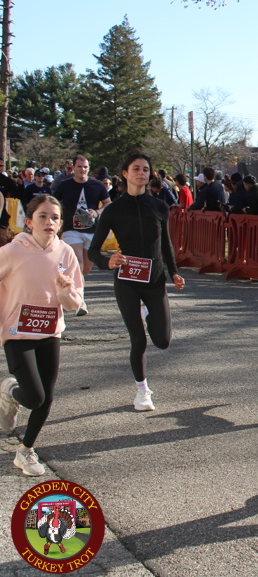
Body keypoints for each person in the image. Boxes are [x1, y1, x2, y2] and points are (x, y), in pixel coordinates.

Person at [88, 152, 185, 412]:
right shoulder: (113, 210)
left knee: (163, 341)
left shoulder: (160, 207)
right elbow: (93, 250)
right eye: (136, 168)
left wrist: (174, 272)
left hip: (154, 279)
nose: (141, 173)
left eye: (145, 169)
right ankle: (142, 391)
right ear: (125, 173)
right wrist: (107, 261)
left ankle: (148, 312)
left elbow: (166, 244)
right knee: (138, 340)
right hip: (127, 280)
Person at [0, 195, 84, 476]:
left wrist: (65, 293)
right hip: (17, 333)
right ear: (29, 222)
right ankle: (10, 391)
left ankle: (25, 451)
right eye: (43, 216)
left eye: (55, 218)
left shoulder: (66, 253)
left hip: (50, 332)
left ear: (61, 224)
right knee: (34, 397)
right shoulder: (12, 251)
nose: (49, 222)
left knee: (46, 398)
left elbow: (74, 304)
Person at [51, 155, 111, 314]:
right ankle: (80, 302)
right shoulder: (65, 185)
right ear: (73, 168)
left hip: (91, 230)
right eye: (79, 166)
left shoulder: (97, 185)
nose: (82, 170)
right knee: (77, 263)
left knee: (86, 268)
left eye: (85, 167)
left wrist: (96, 212)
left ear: (88, 169)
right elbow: (53, 202)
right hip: (71, 229)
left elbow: (108, 204)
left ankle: (70, 289)